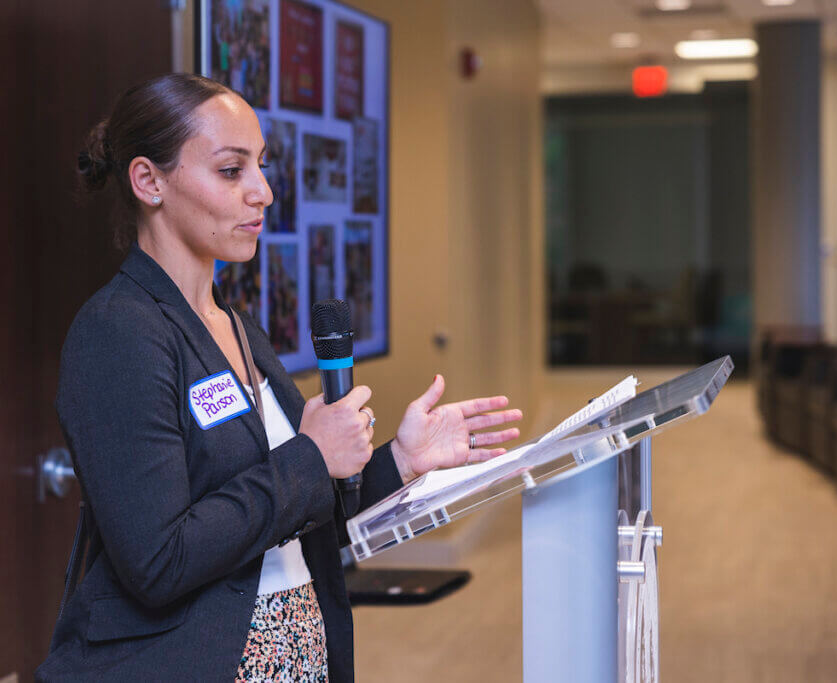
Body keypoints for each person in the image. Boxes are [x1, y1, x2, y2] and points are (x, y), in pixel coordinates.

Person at [35, 73, 521, 682]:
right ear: (148, 180)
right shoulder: (119, 333)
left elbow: (297, 513)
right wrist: (311, 458)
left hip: (296, 657)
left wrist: (400, 459)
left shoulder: (238, 327)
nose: (263, 191)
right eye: (232, 170)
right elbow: (158, 560)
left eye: (261, 167)